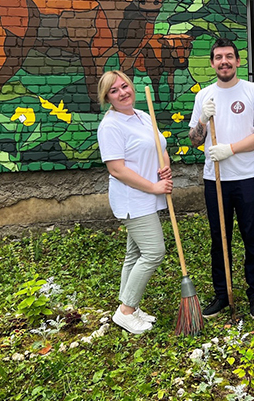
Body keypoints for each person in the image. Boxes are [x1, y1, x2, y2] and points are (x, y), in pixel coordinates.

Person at [188, 38, 254, 320]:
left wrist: (231, 149)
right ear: (212, 63)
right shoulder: (204, 96)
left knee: (252, 236)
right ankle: (222, 295)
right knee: (219, 238)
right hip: (215, 180)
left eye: (228, 56)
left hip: (247, 177)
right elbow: (194, 140)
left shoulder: (252, 91)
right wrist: (203, 119)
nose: (223, 61)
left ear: (238, 61)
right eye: (218, 57)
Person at [96, 70, 172, 334]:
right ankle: (126, 311)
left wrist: (165, 167)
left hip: (149, 195)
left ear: (131, 87)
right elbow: (117, 169)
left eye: (124, 86)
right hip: (134, 199)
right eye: (114, 90)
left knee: (135, 254)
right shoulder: (110, 126)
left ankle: (130, 305)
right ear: (107, 98)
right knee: (153, 252)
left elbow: (160, 147)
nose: (122, 93)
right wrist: (153, 186)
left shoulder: (142, 115)